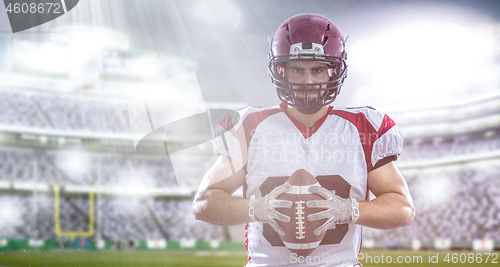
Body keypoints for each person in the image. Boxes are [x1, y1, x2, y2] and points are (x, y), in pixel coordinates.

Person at [192, 13, 414, 266]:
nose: (308, 81)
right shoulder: (249, 127)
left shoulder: (364, 128)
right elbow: (204, 202)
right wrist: (255, 209)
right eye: (297, 70)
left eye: (317, 70)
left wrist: (349, 210)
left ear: (333, 72)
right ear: (280, 71)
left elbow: (403, 209)